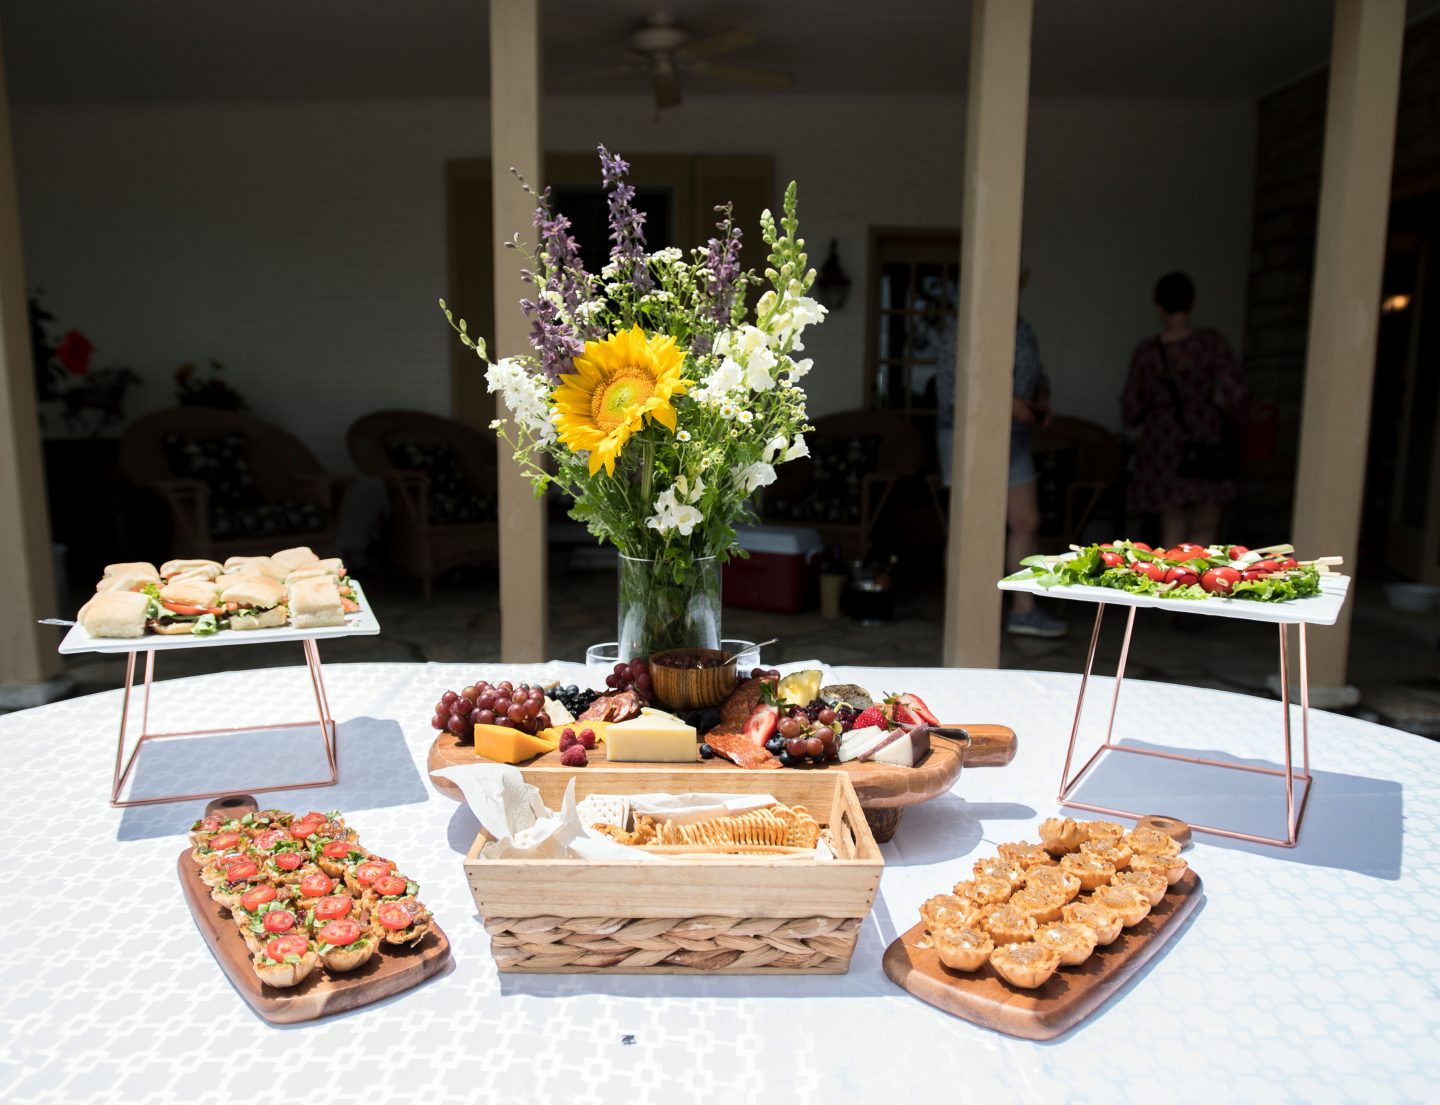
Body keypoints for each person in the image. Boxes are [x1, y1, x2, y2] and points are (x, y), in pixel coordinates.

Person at [936, 268, 1066, 638]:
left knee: (1026, 521)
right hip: (968, 439)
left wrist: (1041, 399)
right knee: (970, 526)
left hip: (1016, 438)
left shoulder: (1021, 328)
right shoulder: (962, 330)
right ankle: (966, 614)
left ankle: (1024, 610)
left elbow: (1038, 373)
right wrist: (1010, 404)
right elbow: (953, 393)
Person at [1121, 272, 1248, 548]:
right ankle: (1198, 579)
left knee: (1171, 517)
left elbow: (1131, 407)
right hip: (1205, 434)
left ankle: (1171, 580)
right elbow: (1235, 392)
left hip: (1163, 438)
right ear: (1192, 303)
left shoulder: (1148, 352)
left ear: (1159, 307)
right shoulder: (1211, 343)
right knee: (1206, 520)